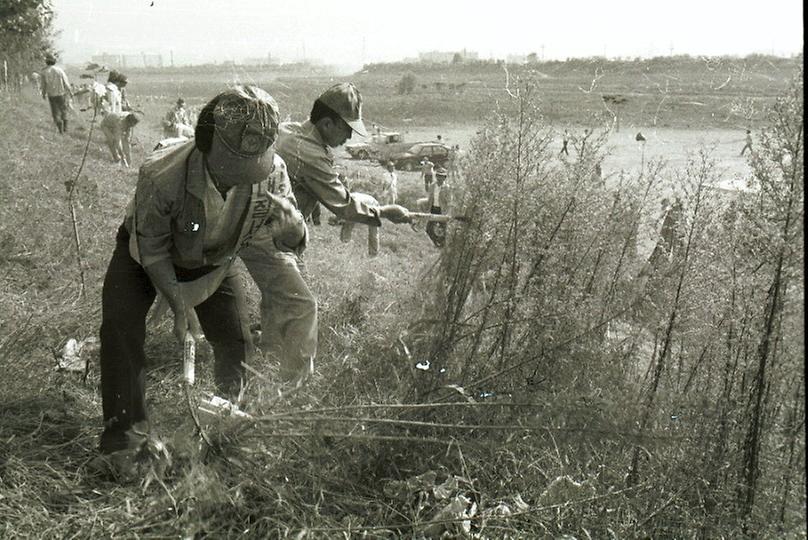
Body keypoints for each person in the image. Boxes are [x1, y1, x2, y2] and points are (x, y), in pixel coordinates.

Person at [97, 85, 306, 455]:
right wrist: (179, 305)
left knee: (236, 338)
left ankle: (227, 425)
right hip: (144, 254)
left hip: (214, 257)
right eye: (232, 170)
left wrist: (294, 231)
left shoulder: (272, 172)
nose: (240, 179)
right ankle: (125, 440)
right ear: (206, 145)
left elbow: (289, 233)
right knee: (120, 329)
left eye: (249, 168)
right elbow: (154, 251)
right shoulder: (161, 175)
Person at [238, 82, 411, 384]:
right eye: (346, 130)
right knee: (302, 306)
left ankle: (267, 360)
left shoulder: (291, 131)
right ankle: (294, 385)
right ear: (327, 122)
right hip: (270, 235)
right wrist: (385, 213)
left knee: (280, 297)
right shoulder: (312, 154)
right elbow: (343, 206)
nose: (347, 139)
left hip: (262, 227)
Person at [339, 192, 381, 257]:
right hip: (361, 204)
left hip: (373, 206)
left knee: (373, 230)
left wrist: (338, 219)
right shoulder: (345, 199)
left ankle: (373, 254)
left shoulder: (353, 201)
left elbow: (355, 213)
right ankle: (344, 244)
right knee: (348, 223)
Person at [40, 53, 73, 134]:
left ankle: (60, 129)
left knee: (55, 112)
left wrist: (43, 94)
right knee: (63, 110)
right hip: (61, 93)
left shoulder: (44, 72)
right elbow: (66, 82)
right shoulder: (59, 70)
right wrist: (70, 91)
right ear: (54, 61)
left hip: (51, 95)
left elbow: (43, 85)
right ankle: (65, 127)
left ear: (46, 62)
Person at [425, 166, 453, 248]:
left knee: (443, 229)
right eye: (438, 176)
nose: (439, 178)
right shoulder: (433, 186)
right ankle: (436, 242)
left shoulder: (447, 188)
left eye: (442, 176)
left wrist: (448, 213)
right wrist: (428, 209)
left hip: (442, 210)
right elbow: (430, 199)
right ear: (436, 176)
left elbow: (450, 202)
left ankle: (442, 246)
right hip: (433, 209)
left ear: (444, 178)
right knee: (428, 229)